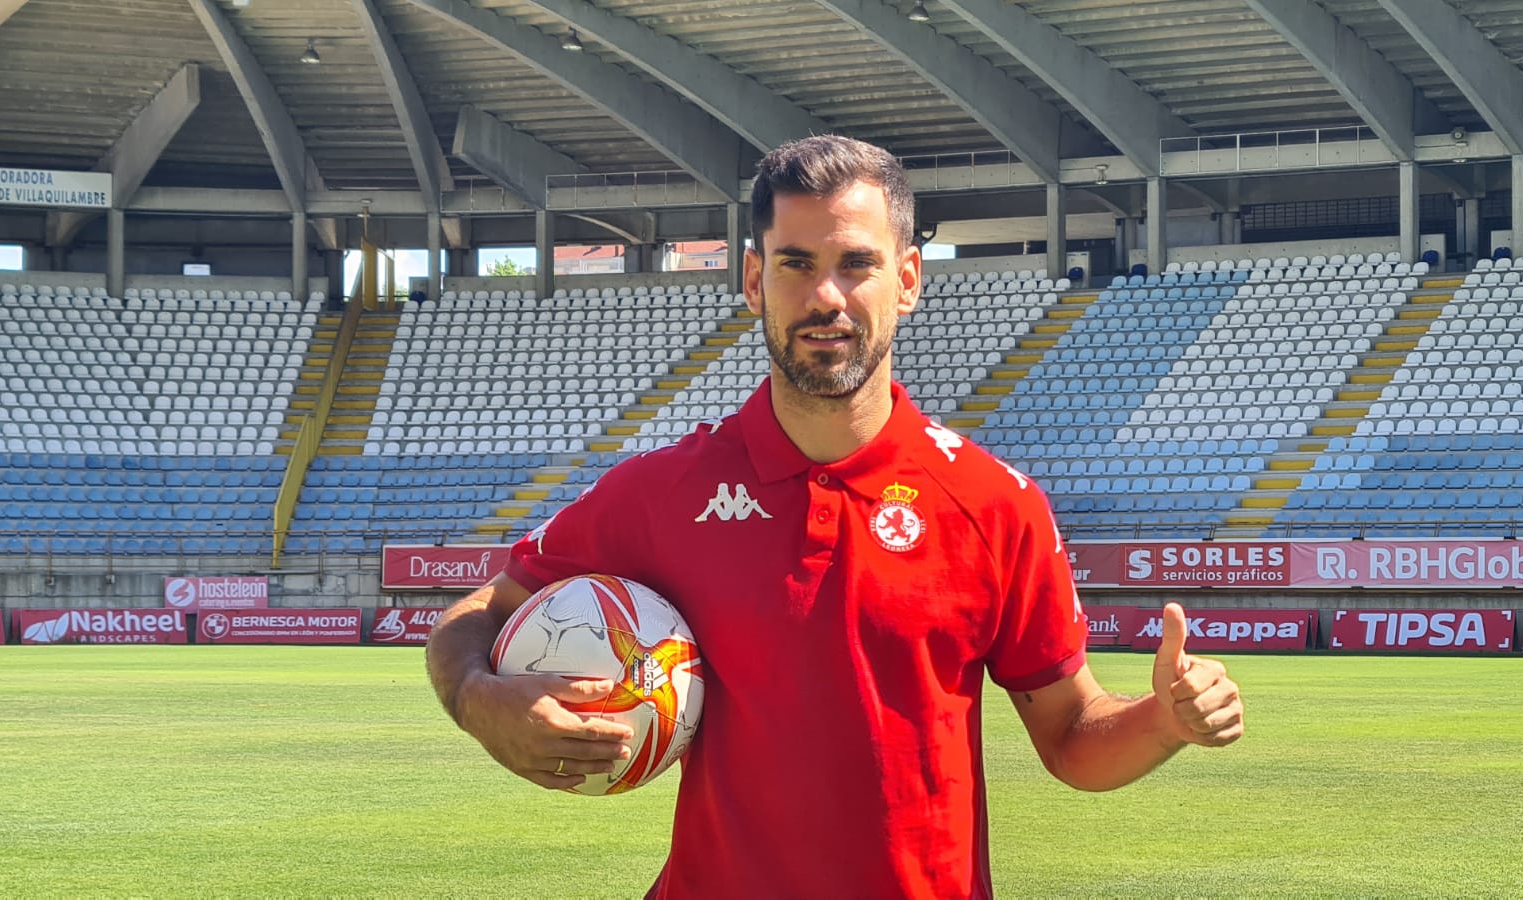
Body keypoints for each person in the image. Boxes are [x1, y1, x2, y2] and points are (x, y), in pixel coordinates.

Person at [426, 134, 1244, 898]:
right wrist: (476, 695)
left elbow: (1071, 737)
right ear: (753, 281)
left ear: (909, 280)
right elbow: (480, 611)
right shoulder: (660, 493)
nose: (826, 296)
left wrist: (1163, 721)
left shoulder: (997, 503)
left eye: (857, 263)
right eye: (795, 263)